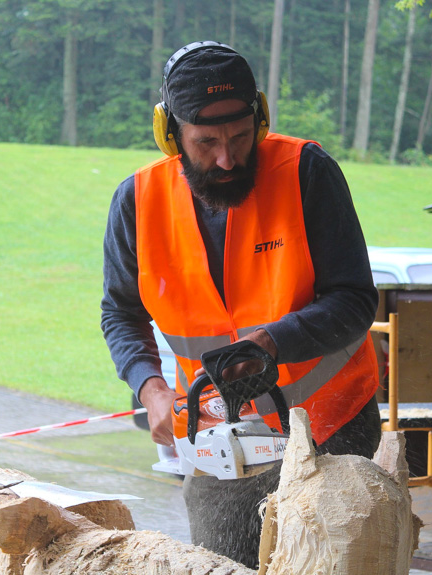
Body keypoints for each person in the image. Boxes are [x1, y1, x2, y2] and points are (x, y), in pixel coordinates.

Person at [100, 40, 381, 569]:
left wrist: (274, 341)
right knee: (220, 560)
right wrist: (150, 386)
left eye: (240, 137)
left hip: (331, 418)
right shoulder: (137, 203)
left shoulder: (307, 172)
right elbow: (121, 311)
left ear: (260, 117)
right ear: (171, 135)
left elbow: (355, 299)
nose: (227, 158)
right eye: (206, 142)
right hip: (215, 427)